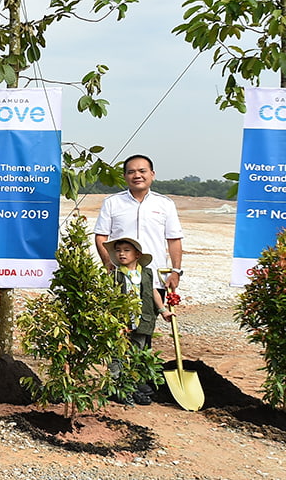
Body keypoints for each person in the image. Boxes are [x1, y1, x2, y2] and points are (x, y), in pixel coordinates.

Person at [94, 154, 185, 295]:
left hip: (155, 277)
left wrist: (176, 271)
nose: (137, 175)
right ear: (124, 176)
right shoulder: (112, 202)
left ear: (152, 174)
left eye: (142, 171)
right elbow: (101, 236)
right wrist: (108, 262)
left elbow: (174, 239)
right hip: (120, 276)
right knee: (119, 316)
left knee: (149, 316)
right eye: (131, 172)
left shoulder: (165, 204)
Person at [104, 236, 173, 405]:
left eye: (126, 251)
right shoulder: (115, 274)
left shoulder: (146, 273)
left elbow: (153, 292)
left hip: (141, 320)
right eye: (118, 251)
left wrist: (163, 310)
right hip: (121, 322)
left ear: (137, 255)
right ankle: (115, 387)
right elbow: (108, 297)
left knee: (136, 354)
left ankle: (131, 387)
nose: (121, 254)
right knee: (118, 354)